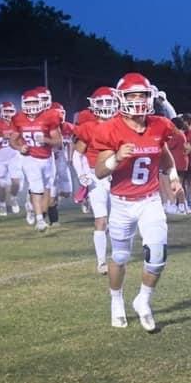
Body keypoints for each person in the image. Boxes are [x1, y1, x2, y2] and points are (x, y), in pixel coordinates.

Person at [92, 72, 182, 332]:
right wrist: (117, 158)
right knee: (120, 256)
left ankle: (143, 300)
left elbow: (163, 155)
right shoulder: (110, 128)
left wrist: (174, 177)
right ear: (121, 99)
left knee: (157, 256)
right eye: (132, 95)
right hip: (121, 201)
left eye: (142, 94)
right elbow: (99, 171)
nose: (138, 100)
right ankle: (116, 300)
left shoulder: (159, 125)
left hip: (150, 199)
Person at [72, 86, 118, 274]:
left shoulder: (122, 124)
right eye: (102, 102)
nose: (106, 106)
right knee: (101, 219)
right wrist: (81, 174)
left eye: (109, 101)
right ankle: (101, 261)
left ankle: (118, 255)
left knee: (118, 220)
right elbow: (77, 154)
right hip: (96, 176)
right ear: (93, 105)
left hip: (119, 176)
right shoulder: (88, 127)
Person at [11, 90, 63, 231]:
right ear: (23, 104)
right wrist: (19, 147)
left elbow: (58, 141)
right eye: (29, 102)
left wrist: (46, 139)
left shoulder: (50, 116)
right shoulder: (18, 118)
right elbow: (12, 141)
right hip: (30, 158)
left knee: (47, 188)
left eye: (35, 102)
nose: (32, 105)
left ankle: (36, 210)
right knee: (37, 188)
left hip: (47, 158)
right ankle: (40, 220)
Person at [0, 101, 22, 216]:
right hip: (0, 156)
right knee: (2, 185)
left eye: (11, 111)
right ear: (0, 112)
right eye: (6, 111)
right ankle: (2, 205)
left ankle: (13, 198)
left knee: (16, 182)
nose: (8, 113)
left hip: (14, 154)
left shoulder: (18, 123)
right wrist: (1, 137)